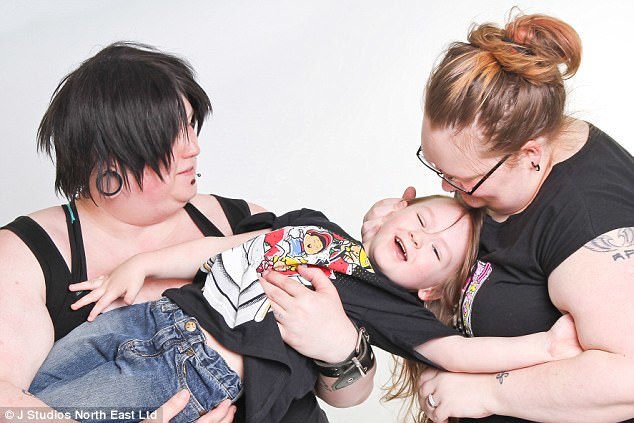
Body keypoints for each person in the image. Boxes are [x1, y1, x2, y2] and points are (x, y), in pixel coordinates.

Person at [30, 196, 580, 423]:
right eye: (420, 220)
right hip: (149, 317)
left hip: (193, 370)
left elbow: (457, 353)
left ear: (431, 291)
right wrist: (142, 264)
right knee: (24, 403)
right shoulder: (316, 227)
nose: (419, 237)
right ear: (395, 209)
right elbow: (226, 248)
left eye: (436, 253)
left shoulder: (390, 303)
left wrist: (544, 346)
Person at [357, 10, 634, 423]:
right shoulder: (519, 147)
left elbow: (627, 377)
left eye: (462, 179)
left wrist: (486, 392)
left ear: (530, 155)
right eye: (438, 170)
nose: (448, 188)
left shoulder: (589, 223)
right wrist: (386, 238)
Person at [0, 41, 271, 423]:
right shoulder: (25, 254)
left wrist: (340, 352)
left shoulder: (243, 221)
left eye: (190, 125)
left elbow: (344, 392)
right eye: (171, 133)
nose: (194, 147)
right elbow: (5, 399)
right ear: (110, 155)